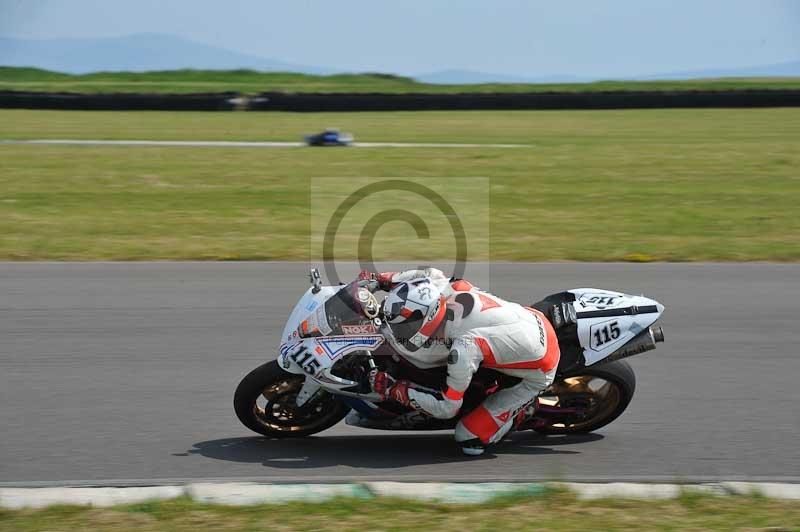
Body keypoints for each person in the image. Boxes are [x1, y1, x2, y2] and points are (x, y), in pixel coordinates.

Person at [359, 268, 560, 455]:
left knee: (469, 439)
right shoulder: (444, 289)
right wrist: (383, 278)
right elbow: (427, 274)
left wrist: (394, 389)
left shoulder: (464, 349)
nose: (399, 333)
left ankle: (524, 411)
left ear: (428, 321)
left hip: (541, 366)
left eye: (406, 328)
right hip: (528, 320)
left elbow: (447, 408)